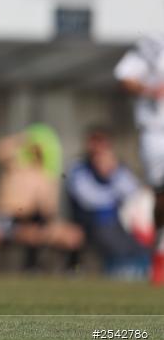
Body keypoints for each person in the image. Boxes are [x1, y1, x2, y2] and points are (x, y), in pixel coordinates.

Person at [0, 125, 83, 272]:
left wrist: (47, 223)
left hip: (36, 221)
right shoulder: (16, 166)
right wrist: (27, 137)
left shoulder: (47, 176)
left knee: (73, 236)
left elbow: (49, 210)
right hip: (8, 219)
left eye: (40, 148)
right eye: (34, 147)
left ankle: (72, 271)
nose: (36, 151)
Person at [66, 126, 150, 278]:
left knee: (141, 245)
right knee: (112, 239)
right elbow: (89, 199)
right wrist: (108, 182)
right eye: (94, 142)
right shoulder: (78, 167)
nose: (97, 148)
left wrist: (113, 173)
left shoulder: (117, 169)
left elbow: (135, 192)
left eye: (101, 142)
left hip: (118, 224)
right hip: (90, 224)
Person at [114, 33, 164, 284]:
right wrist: (151, 90)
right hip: (156, 132)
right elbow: (124, 76)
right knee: (161, 195)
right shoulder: (154, 45)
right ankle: (160, 252)